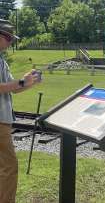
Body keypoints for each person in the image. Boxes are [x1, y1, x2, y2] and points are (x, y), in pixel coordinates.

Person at [0, 19, 41, 203]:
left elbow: (12, 88)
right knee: (10, 167)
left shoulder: (1, 60)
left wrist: (28, 82)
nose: (11, 43)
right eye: (9, 38)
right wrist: (22, 81)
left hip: (3, 121)